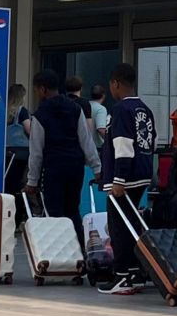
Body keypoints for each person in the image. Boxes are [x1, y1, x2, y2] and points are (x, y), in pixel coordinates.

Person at [101, 63, 158, 294]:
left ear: (115, 84)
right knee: (133, 224)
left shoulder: (120, 110)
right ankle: (136, 272)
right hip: (142, 172)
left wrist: (118, 179)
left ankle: (122, 274)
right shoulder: (144, 108)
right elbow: (150, 142)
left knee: (119, 227)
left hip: (124, 177)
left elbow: (122, 146)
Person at [26, 69, 98, 240]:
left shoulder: (40, 115)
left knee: (55, 212)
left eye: (36, 90)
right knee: (73, 209)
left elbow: (36, 152)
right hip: (75, 166)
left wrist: (32, 180)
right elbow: (86, 140)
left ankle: (61, 253)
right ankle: (80, 250)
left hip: (53, 168)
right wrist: (97, 167)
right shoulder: (76, 109)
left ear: (43, 89)